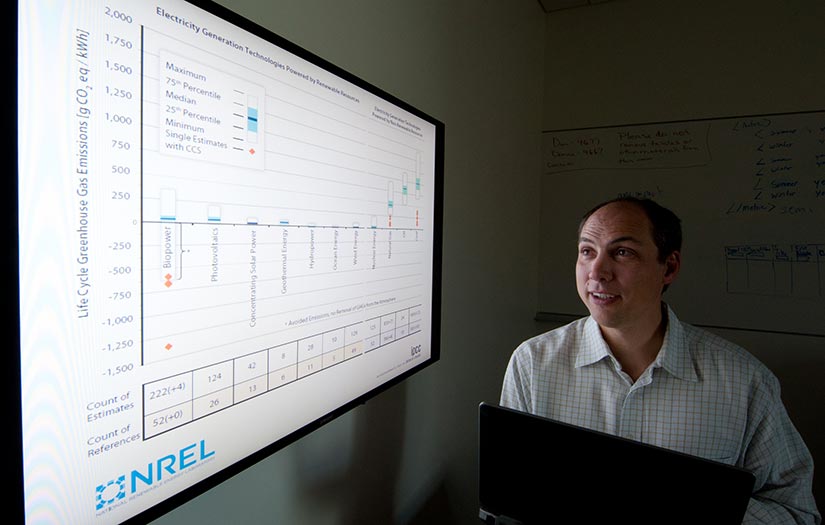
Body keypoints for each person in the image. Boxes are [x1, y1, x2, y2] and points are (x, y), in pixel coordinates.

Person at [500, 197, 820, 523]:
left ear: (669, 267)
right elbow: (505, 502)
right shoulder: (533, 363)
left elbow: (796, 511)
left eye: (622, 252)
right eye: (587, 251)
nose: (597, 272)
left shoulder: (743, 381)